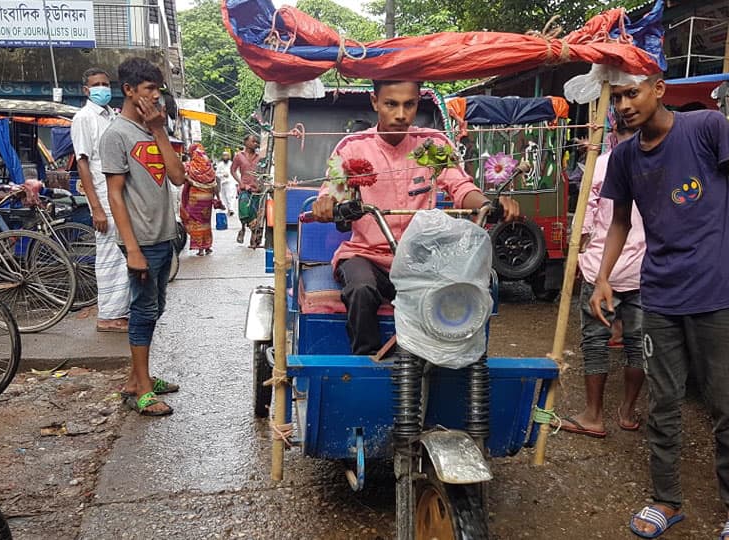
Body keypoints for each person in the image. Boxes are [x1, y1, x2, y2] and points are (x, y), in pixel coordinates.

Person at [589, 73, 729, 539]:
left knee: (726, 403)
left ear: (658, 89)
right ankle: (666, 500)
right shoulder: (626, 157)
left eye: (634, 92)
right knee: (663, 403)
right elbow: (620, 223)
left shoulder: (707, 127)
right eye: (618, 96)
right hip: (660, 295)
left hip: (717, 291)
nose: (625, 104)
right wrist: (603, 277)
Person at [311, 80, 520, 356]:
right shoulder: (352, 147)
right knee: (361, 290)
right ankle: (367, 365)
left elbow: (461, 187)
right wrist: (326, 204)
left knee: (460, 295)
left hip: (422, 258)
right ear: (375, 103)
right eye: (391, 104)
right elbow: (334, 192)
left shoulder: (431, 145)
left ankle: (442, 363)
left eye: (409, 104)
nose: (401, 114)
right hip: (366, 256)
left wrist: (487, 204)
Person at [100, 57, 185, 416]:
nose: (156, 96)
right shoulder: (116, 135)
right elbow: (115, 194)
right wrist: (132, 248)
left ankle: (138, 379)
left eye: (158, 89)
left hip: (164, 235)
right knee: (144, 309)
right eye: (149, 89)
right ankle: (143, 389)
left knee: (155, 307)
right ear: (129, 91)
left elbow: (178, 177)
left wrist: (159, 130)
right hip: (142, 241)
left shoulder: (152, 131)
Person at [557, 118, 645, 439]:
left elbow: (585, 218)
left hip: (601, 267)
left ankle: (594, 415)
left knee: (595, 342)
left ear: (613, 133)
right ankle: (627, 411)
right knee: (638, 345)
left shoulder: (603, 164)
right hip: (642, 270)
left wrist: (575, 247)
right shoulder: (655, 164)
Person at [70, 67, 129, 333]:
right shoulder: (83, 118)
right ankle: (108, 315)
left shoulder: (111, 117)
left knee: (122, 253)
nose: (103, 88)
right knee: (109, 254)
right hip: (102, 196)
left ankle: (120, 312)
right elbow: (82, 162)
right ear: (86, 90)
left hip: (118, 193)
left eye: (106, 83)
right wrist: (96, 207)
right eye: (97, 84)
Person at [180, 143, 219, 256]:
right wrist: (217, 198)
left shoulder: (191, 166)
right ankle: (207, 246)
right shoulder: (209, 167)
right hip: (207, 198)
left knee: (195, 220)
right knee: (206, 222)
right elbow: (215, 183)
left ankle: (200, 248)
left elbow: (183, 177)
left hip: (195, 198)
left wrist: (188, 178)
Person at [231, 134, 261, 247]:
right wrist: (241, 183)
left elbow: (263, 172)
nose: (255, 144)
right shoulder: (239, 156)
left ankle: (253, 238)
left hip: (256, 190)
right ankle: (243, 228)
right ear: (246, 143)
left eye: (256, 142)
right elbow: (233, 171)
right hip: (244, 189)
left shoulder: (259, 157)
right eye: (253, 141)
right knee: (244, 211)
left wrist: (261, 185)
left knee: (255, 214)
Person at [215, 150, 236, 218]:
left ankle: (231, 209)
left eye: (226, 155)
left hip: (230, 182)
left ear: (229, 156)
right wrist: (222, 175)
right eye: (224, 155)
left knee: (230, 196)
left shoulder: (232, 164)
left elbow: (235, 173)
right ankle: (228, 210)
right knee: (224, 197)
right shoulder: (220, 164)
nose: (225, 157)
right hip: (223, 183)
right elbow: (217, 174)